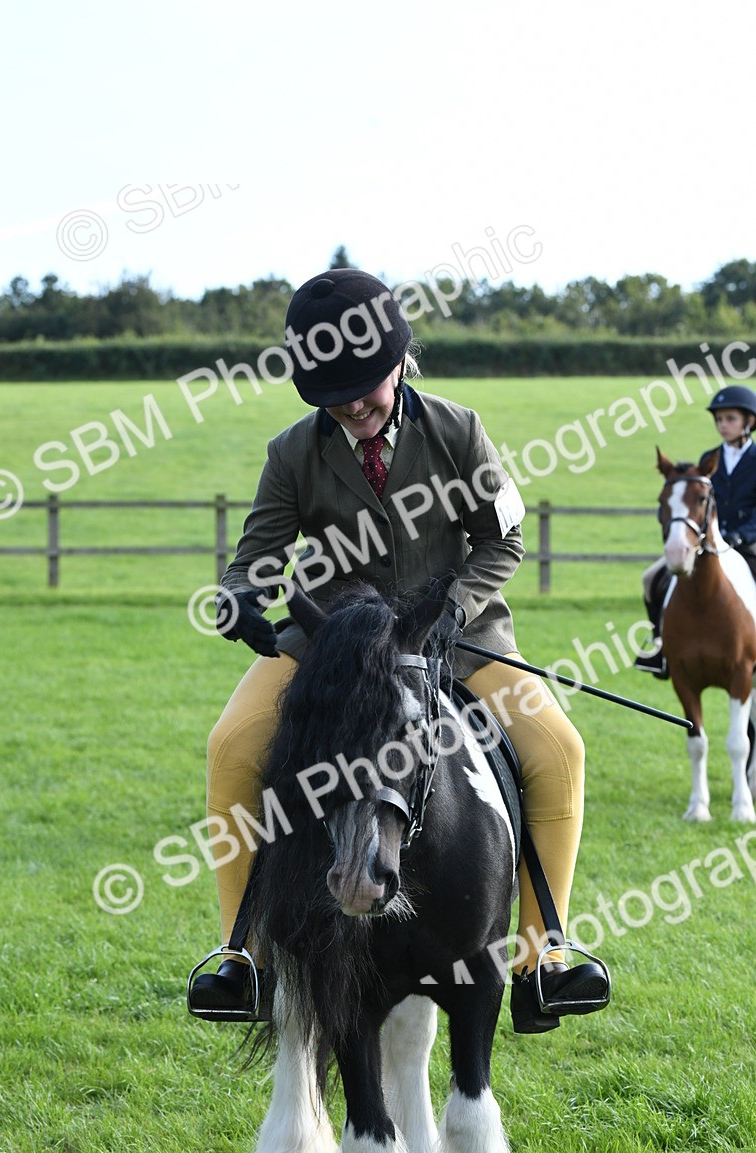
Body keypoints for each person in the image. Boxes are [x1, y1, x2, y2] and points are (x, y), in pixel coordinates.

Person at [189, 268, 610, 1034]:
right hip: (335, 642)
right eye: (333, 394)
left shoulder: (459, 429)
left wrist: (453, 606)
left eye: (365, 387)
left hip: (459, 637)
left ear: (399, 362)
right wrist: (240, 598)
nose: (352, 405)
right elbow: (254, 554)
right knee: (230, 746)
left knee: (559, 749)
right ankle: (239, 953)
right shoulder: (293, 453)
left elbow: (503, 538)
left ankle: (545, 955)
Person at [634, 384, 756, 676]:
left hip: (748, 543)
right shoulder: (709, 457)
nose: (723, 425)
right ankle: (661, 646)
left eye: (730, 419)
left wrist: (742, 535)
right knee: (651, 578)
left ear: (748, 422)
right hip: (707, 543)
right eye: (719, 419)